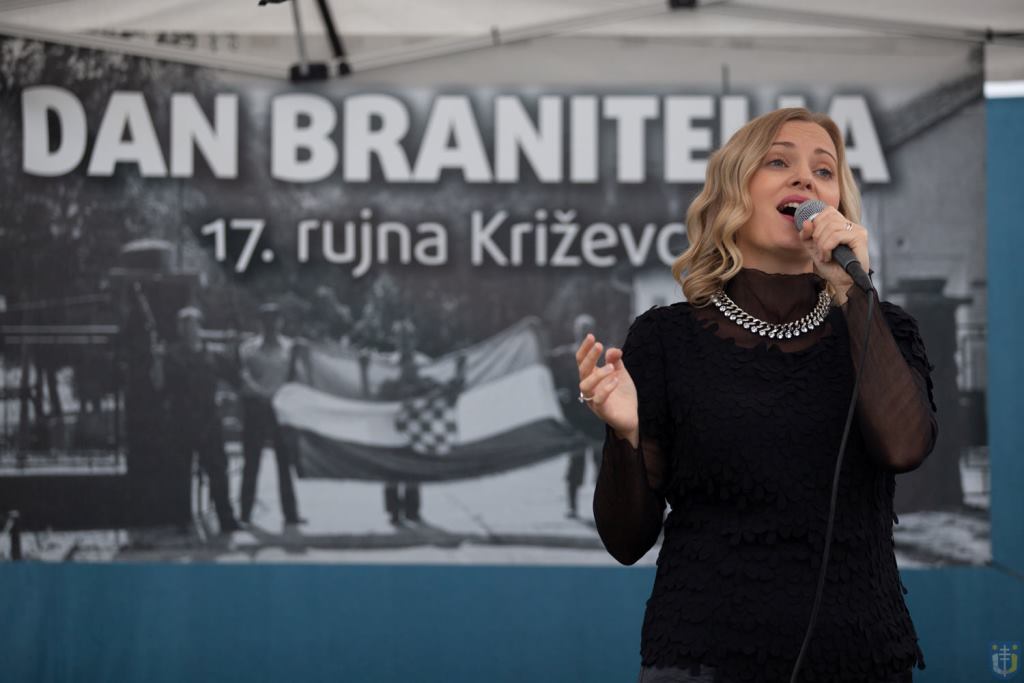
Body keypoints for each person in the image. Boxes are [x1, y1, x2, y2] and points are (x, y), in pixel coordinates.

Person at [578, 108, 936, 683]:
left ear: (838, 205)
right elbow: (625, 541)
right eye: (778, 162)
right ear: (732, 195)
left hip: (861, 652)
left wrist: (855, 294)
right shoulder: (666, 338)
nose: (805, 178)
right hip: (702, 655)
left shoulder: (884, 329)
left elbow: (904, 448)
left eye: (824, 170)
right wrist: (626, 436)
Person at [153, 306, 240, 534]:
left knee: (218, 468)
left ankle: (226, 518)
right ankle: (182, 519)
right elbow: (158, 385)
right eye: (183, 325)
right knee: (180, 471)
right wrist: (157, 360)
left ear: (199, 326)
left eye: (191, 325)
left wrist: (229, 398)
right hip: (181, 418)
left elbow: (233, 377)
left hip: (209, 418)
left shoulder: (211, 355)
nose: (188, 330)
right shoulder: (171, 355)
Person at [238, 302, 304, 526]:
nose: (270, 325)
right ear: (260, 323)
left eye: (274, 320)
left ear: (280, 322)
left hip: (281, 409)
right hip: (256, 407)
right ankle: (245, 512)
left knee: (285, 463)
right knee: (252, 461)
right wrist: (263, 394)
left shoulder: (291, 348)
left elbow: (295, 376)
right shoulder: (248, 348)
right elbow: (244, 376)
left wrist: (283, 398)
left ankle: (291, 513)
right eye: (266, 320)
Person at [549, 313, 606, 518]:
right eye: (581, 330)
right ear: (575, 332)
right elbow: (548, 369)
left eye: (587, 330)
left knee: (602, 467)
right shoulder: (563, 356)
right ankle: (572, 507)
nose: (583, 333)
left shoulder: (602, 355)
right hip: (575, 420)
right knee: (575, 465)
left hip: (597, 421)